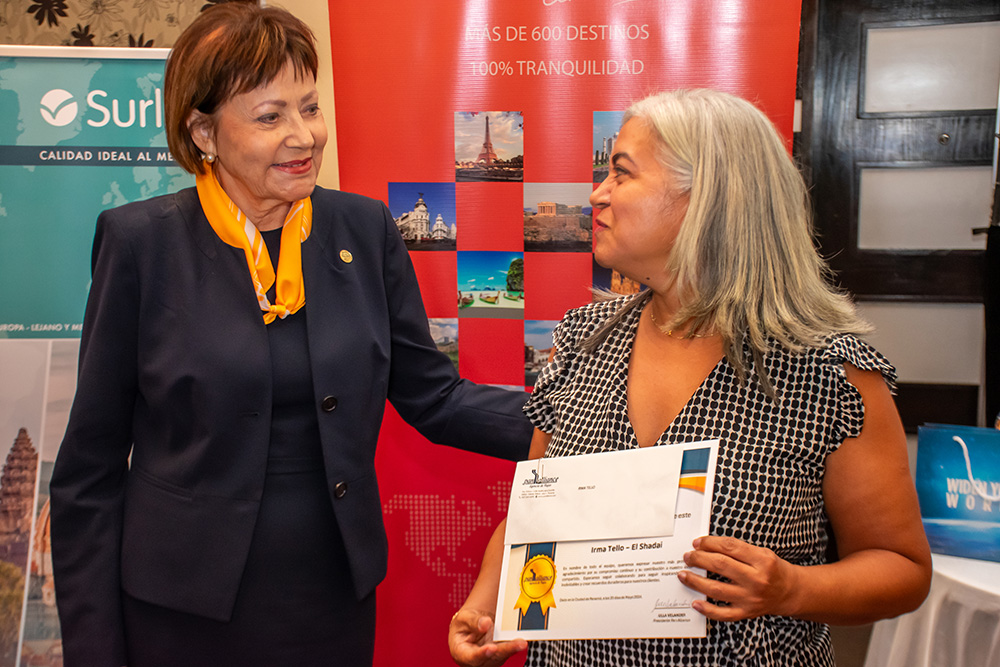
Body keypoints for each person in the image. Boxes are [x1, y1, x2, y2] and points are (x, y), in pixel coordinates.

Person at [48, 5, 532, 666]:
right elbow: (90, 471)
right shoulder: (141, 244)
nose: (303, 136)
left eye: (310, 108)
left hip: (329, 600)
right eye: (270, 116)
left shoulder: (363, 230)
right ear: (204, 131)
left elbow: (435, 397)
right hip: (180, 608)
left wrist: (579, 420)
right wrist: (94, 650)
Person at [448, 89, 932, 667]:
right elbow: (534, 516)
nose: (597, 193)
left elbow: (902, 569)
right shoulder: (583, 338)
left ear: (705, 198)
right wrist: (484, 606)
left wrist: (793, 589)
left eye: (621, 173)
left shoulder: (827, 368)